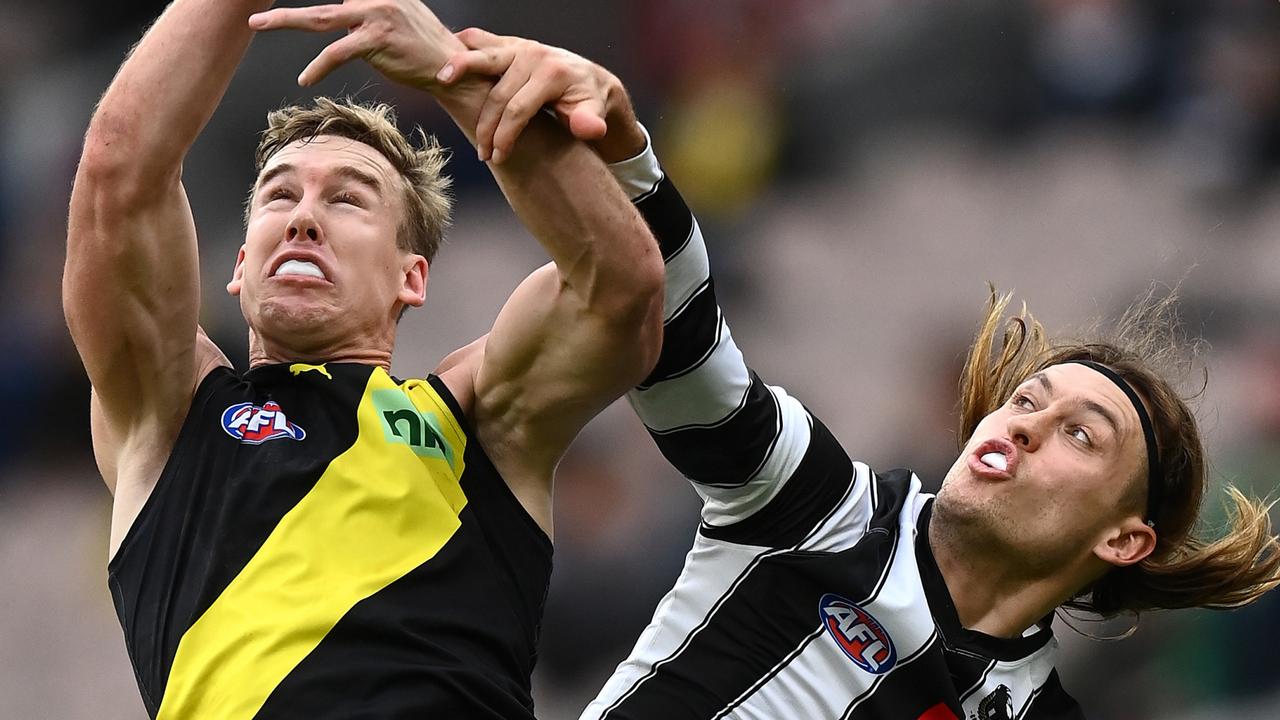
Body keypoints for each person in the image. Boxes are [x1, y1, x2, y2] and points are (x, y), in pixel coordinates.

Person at [436, 31, 1280, 719]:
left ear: (1122, 540)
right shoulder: (822, 506)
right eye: (1028, 399)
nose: (1020, 422)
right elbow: (681, 337)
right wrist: (628, 150)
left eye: (1079, 435)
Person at [62, 2, 663, 718]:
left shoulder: (475, 417)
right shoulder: (170, 415)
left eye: (347, 199)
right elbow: (120, 167)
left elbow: (623, 289)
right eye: (279, 194)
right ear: (243, 263)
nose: (303, 216)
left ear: (412, 276)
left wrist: (451, 71)